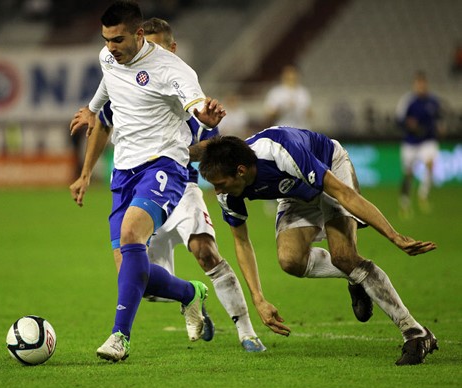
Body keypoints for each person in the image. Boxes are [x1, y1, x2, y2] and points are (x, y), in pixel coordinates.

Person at [71, 17, 265, 353]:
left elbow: (210, 143)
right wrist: (86, 171)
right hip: (129, 174)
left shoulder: (178, 78)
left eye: (159, 47)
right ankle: (190, 293)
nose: (151, 53)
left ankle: (245, 331)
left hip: (177, 180)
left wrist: (189, 139)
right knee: (135, 276)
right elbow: (103, 121)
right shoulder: (121, 71)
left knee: (203, 250)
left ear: (169, 49)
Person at [195, 128, 439, 366]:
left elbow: (344, 195)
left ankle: (415, 334)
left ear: (240, 171)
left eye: (220, 183)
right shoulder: (228, 194)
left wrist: (393, 235)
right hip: (295, 192)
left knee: (344, 256)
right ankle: (357, 276)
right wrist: (258, 299)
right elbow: (241, 241)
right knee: (291, 260)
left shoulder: (281, 152)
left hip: (330, 168)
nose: (216, 190)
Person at [395, 71, 443, 217]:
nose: (421, 86)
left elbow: (439, 117)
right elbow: (398, 120)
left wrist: (441, 126)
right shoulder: (408, 101)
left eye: (423, 84)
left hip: (427, 141)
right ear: (415, 85)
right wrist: (408, 124)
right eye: (418, 84)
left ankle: (423, 195)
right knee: (408, 174)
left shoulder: (433, 101)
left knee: (430, 164)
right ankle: (404, 202)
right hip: (411, 142)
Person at [263, 64, 312, 129]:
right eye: (288, 73)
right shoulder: (276, 92)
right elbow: (268, 114)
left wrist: (302, 109)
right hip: (282, 128)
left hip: (300, 128)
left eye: (293, 73)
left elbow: (310, 114)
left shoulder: (303, 92)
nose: (291, 76)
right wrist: (282, 108)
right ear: (283, 75)